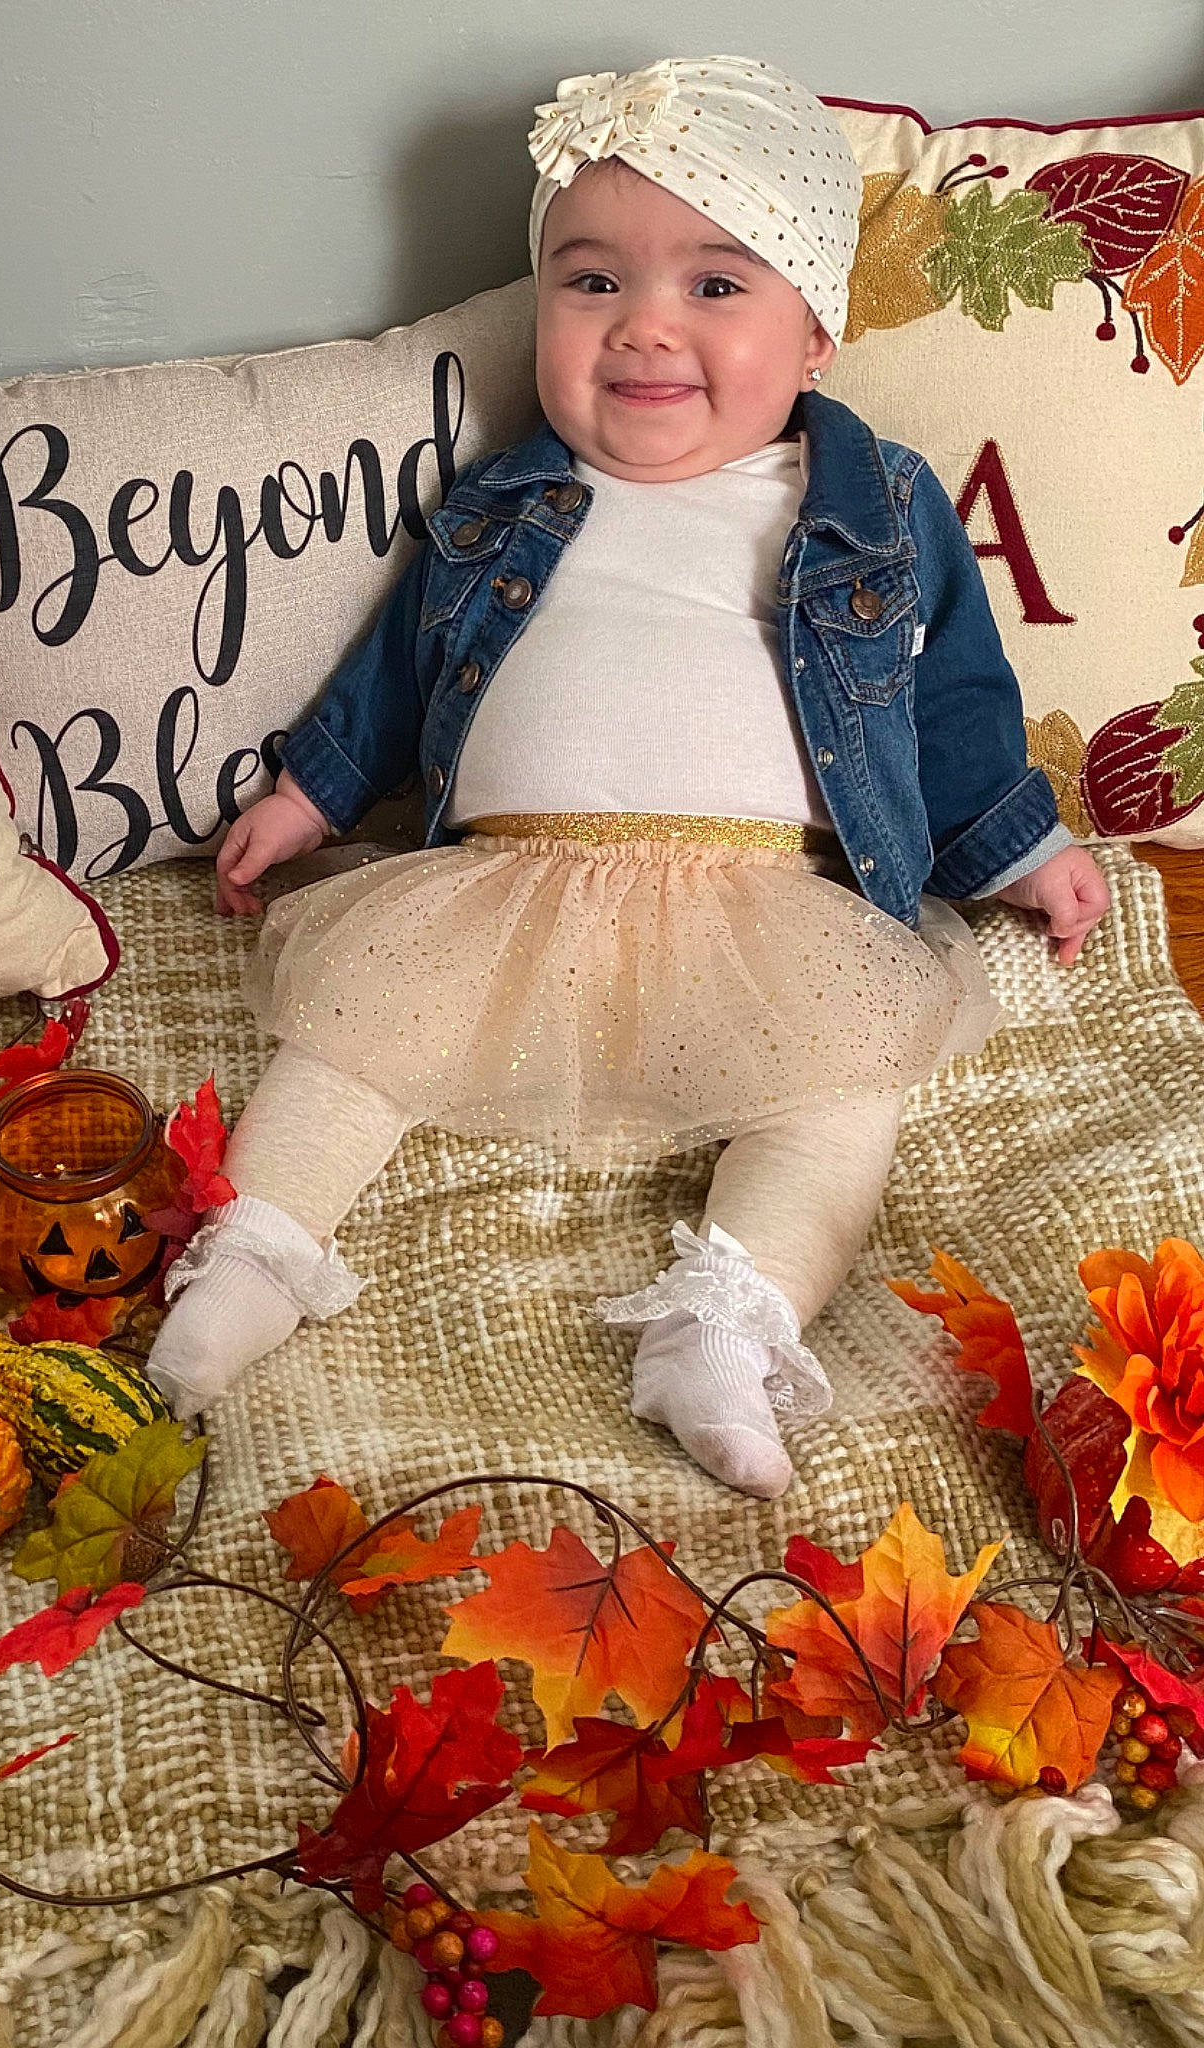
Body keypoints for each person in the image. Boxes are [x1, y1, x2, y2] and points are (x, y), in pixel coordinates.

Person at [144, 56, 1110, 1496]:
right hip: (500, 892)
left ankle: (728, 1326)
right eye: (592, 282)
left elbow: (954, 705)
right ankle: (260, 1252)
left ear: (817, 331)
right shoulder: (505, 502)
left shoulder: (873, 508)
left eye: (717, 288)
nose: (647, 327)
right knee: (348, 1041)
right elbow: (402, 667)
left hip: (767, 920)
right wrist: (311, 795)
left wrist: (1017, 847)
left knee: (844, 1096)